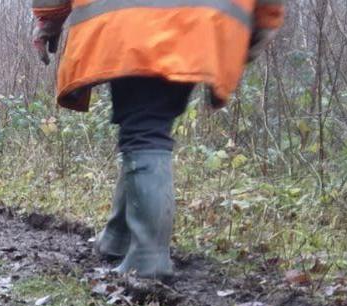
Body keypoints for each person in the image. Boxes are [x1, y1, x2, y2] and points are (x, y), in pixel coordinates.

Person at [31, 0, 286, 280]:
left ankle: (147, 258)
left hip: (131, 21)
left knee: (145, 127)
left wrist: (49, 19)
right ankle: (118, 237)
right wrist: (260, 24)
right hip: (202, 22)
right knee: (147, 123)